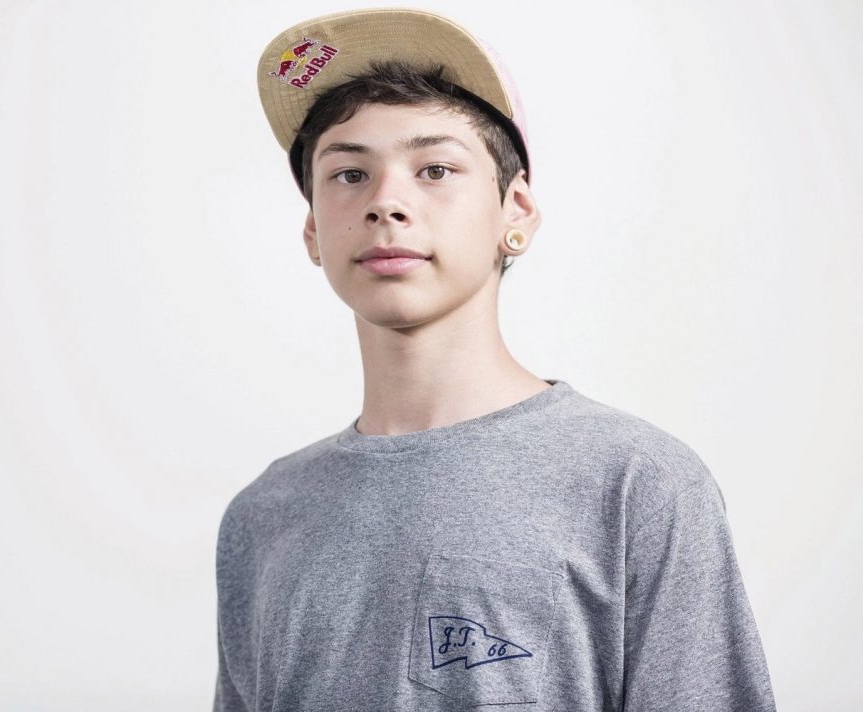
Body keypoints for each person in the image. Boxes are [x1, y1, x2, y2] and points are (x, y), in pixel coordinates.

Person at [214, 8, 777, 711]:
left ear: (516, 211)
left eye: (435, 169)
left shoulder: (636, 484)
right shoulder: (262, 517)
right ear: (312, 233)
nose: (386, 202)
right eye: (350, 174)